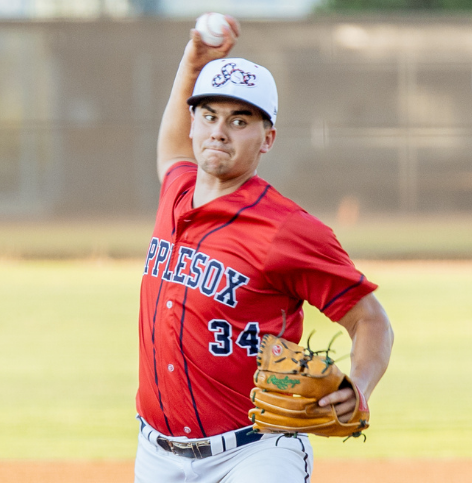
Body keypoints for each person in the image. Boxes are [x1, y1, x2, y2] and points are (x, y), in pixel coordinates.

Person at [134, 15, 394, 483]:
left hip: (255, 453)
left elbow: (370, 318)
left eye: (239, 121)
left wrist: (361, 383)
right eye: (209, 116)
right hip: (156, 452)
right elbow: (171, 146)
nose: (219, 131)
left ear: (267, 138)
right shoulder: (176, 188)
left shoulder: (288, 230)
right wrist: (191, 62)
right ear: (194, 123)